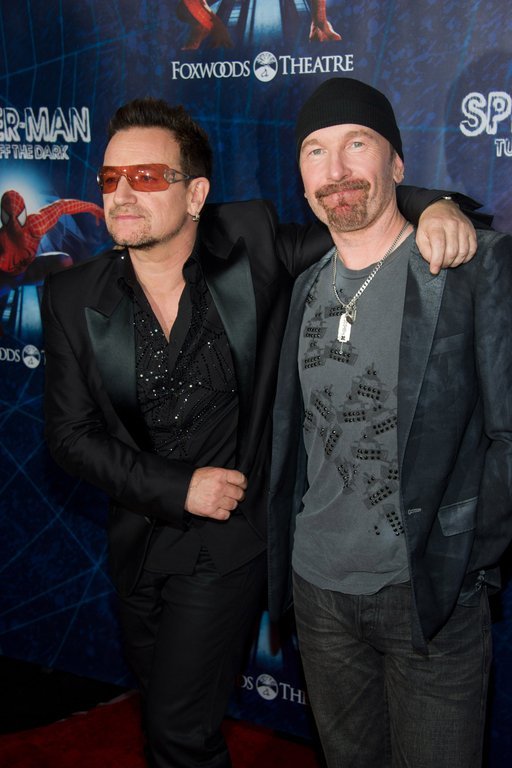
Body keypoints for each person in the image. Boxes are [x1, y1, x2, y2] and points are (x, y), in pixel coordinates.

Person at [42, 96, 482, 768]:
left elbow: (359, 212)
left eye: (147, 177)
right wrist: (178, 488)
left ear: (196, 195)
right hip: (140, 541)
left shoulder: (250, 242)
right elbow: (71, 436)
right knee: (166, 713)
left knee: (178, 730)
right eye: (110, 178)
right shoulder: (73, 296)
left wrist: (438, 206)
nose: (122, 194)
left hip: (231, 542)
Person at [268, 77, 512, 768]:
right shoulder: (304, 286)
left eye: (357, 144)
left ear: (398, 164)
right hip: (319, 594)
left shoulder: (470, 268)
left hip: (430, 598)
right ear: (301, 178)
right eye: (315, 151)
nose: (336, 170)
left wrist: (465, 557)